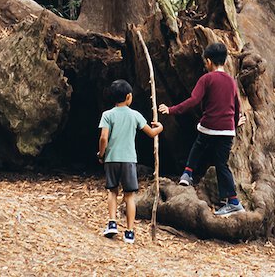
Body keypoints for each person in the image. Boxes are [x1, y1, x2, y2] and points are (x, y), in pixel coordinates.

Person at [159, 42, 246, 217]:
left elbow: (193, 100)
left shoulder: (206, 79)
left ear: (208, 61)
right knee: (222, 165)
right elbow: (236, 104)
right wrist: (237, 120)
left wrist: (171, 109)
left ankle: (187, 174)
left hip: (209, 126)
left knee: (198, 146)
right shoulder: (231, 80)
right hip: (227, 131)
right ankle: (234, 202)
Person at [97, 79, 163, 244]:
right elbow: (152, 133)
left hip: (111, 159)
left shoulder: (107, 115)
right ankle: (129, 232)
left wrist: (101, 153)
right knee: (129, 196)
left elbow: (104, 137)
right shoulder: (135, 115)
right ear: (128, 97)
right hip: (129, 160)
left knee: (112, 191)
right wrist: (160, 127)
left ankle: (112, 223)